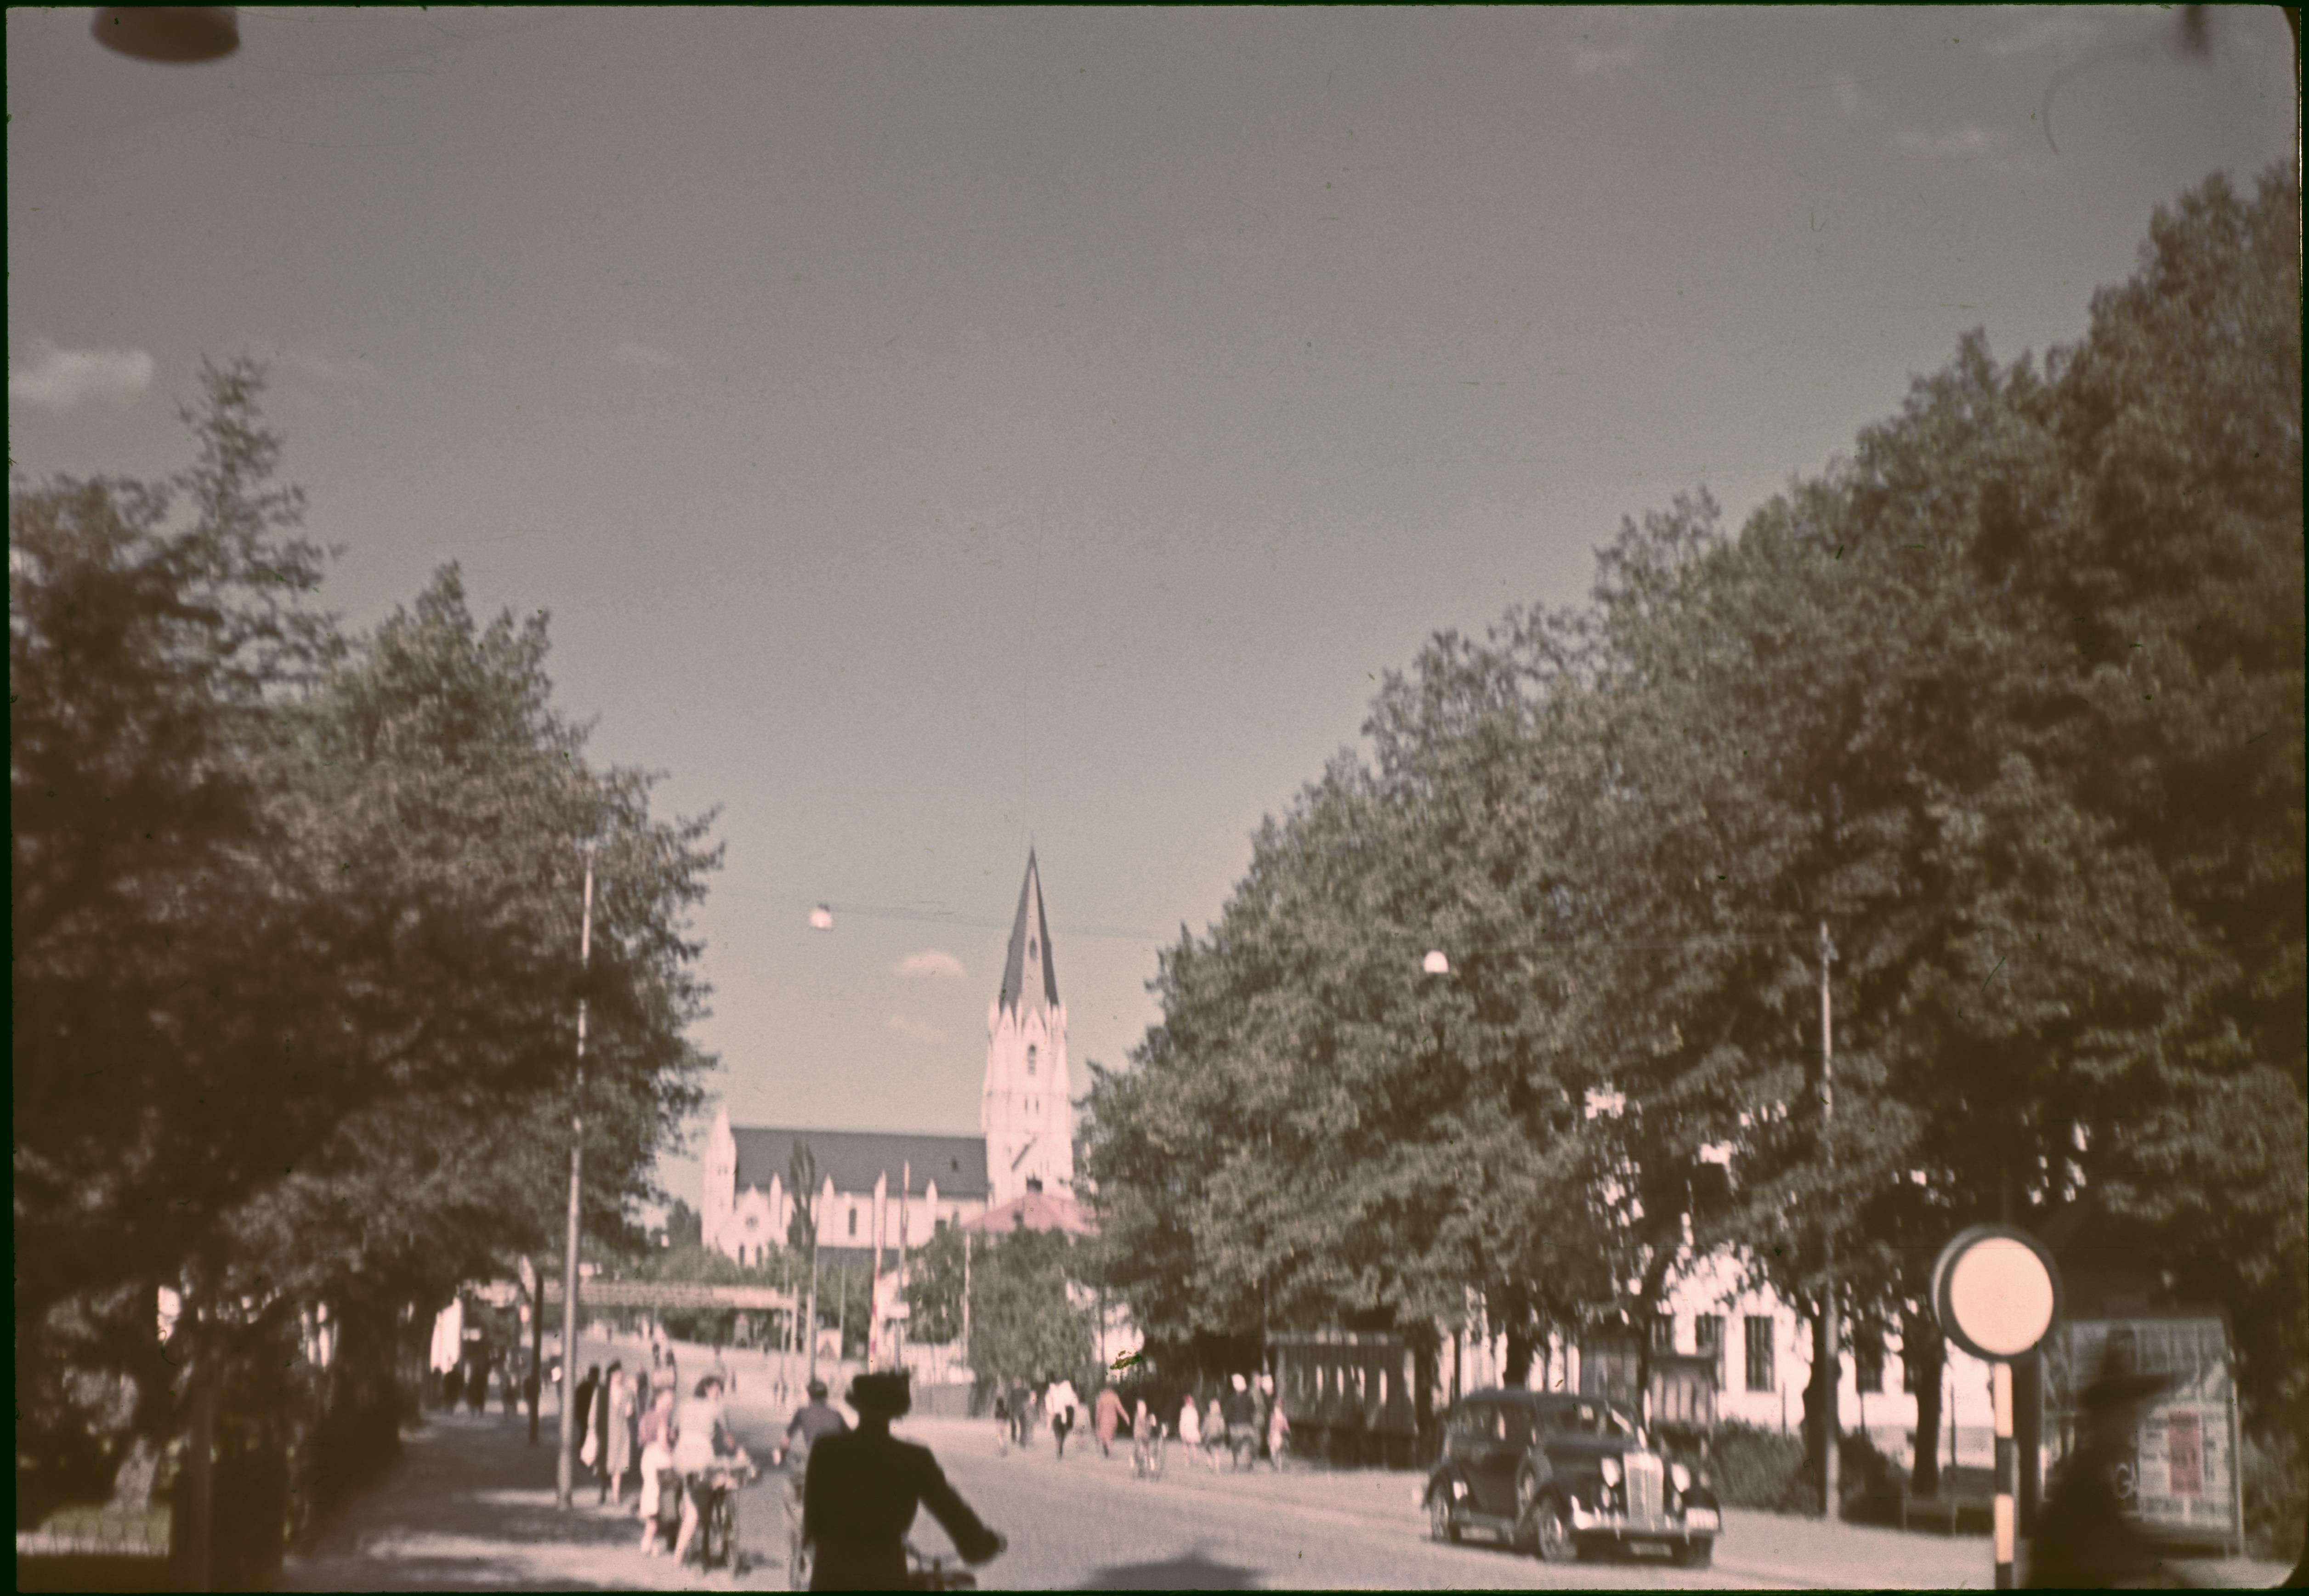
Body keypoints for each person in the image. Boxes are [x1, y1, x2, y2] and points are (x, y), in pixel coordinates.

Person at [803, 1371, 1004, 1590]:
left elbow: (812, 1515)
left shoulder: (826, 1449)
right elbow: (951, 1510)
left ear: (858, 1407)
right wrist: (982, 1544)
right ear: (896, 1412)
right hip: (885, 1570)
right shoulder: (914, 1458)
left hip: (831, 1570)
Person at [2025, 1335, 2187, 1589]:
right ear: (2104, 1420)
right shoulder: (2083, 1483)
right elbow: (2113, 1550)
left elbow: (2121, 1539)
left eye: (2133, 1415)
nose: (2132, 1426)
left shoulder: (2095, 1475)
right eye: (2125, 1415)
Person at [669, 1373, 752, 1566]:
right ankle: (681, 1555)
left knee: (690, 1498)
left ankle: (686, 1545)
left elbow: (672, 1433)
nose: (719, 1394)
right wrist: (738, 1452)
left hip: (680, 1457)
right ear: (707, 1389)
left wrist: (682, 1444)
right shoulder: (717, 1407)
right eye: (717, 1390)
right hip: (702, 1459)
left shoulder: (683, 1404)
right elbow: (728, 1438)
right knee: (700, 1505)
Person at [636, 1385, 677, 1554]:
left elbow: (642, 1439)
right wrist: (673, 1450)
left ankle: (648, 1541)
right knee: (665, 1500)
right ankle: (653, 1540)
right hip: (660, 1458)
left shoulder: (646, 1416)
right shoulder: (662, 1416)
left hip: (647, 1456)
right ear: (659, 1400)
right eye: (669, 1401)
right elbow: (662, 1443)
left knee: (651, 1497)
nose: (671, 1405)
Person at [602, 1364, 637, 1507]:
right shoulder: (604, 1392)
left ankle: (616, 1496)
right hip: (606, 1432)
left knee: (618, 1466)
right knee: (606, 1464)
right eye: (616, 1374)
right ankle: (604, 1492)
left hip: (621, 1431)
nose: (619, 1376)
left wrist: (633, 1397)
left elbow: (630, 1412)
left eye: (620, 1374)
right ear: (611, 1375)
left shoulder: (627, 1392)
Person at [1225, 1374, 1258, 1469]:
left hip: (1235, 1425)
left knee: (1235, 1445)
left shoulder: (1232, 1399)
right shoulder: (1249, 1398)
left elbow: (1229, 1413)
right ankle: (1249, 1464)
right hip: (1247, 1424)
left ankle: (1235, 1464)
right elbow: (1253, 1409)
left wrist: (1228, 1423)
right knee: (1248, 1444)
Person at [572, 1365, 601, 1472]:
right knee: (585, 1438)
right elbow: (578, 1403)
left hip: (588, 1417)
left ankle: (588, 1460)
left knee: (587, 1438)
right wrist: (578, 1417)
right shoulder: (590, 1388)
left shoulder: (583, 1387)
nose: (595, 1377)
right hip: (585, 1417)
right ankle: (586, 1460)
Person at [1046, 1375, 1080, 1460]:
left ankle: (1060, 1445)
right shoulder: (1053, 1390)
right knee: (1060, 1433)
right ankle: (1060, 1446)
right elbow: (1074, 1402)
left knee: (1062, 1433)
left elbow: (1073, 1401)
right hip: (1059, 1414)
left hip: (1062, 1414)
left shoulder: (1065, 1388)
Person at [1094, 1384, 1125, 1459]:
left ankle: (1107, 1448)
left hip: (1104, 1419)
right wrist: (1125, 1416)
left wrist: (1097, 1421)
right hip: (1113, 1419)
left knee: (1105, 1435)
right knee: (1111, 1435)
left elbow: (1098, 1411)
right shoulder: (1114, 1397)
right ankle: (1109, 1449)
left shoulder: (1102, 1397)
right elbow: (1120, 1408)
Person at [1203, 1396, 1226, 1472]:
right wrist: (1223, 1434)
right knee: (1217, 1453)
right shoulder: (1220, 1417)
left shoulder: (1208, 1417)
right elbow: (1223, 1427)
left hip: (1210, 1437)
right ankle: (1217, 1468)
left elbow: (1205, 1427)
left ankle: (1210, 1465)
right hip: (1218, 1437)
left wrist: (1202, 1435)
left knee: (1208, 1451)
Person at [1177, 1392, 1202, 1461]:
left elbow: (1182, 1421)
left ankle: (1187, 1461)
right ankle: (1194, 1458)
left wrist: (1182, 1430)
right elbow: (1197, 1421)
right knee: (1193, 1445)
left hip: (1186, 1429)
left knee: (1186, 1446)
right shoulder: (1193, 1410)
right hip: (1192, 1429)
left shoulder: (1184, 1410)